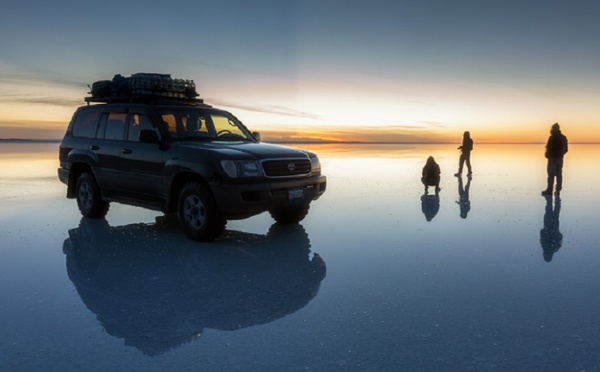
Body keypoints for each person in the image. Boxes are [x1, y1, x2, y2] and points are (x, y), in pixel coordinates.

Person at [541, 123, 568, 196]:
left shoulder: (552, 137)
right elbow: (566, 149)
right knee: (559, 174)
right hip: (559, 158)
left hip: (552, 158)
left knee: (551, 174)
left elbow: (548, 148)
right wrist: (560, 154)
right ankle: (558, 189)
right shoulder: (563, 137)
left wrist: (548, 154)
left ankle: (549, 190)